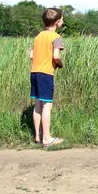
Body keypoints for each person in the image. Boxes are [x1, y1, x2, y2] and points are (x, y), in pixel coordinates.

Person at [29, 8, 65, 147]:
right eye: (62, 19)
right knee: (47, 106)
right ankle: (47, 138)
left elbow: (31, 55)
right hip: (46, 74)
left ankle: (37, 136)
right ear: (57, 22)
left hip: (35, 72)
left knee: (37, 105)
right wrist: (60, 64)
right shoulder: (55, 37)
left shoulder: (38, 36)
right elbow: (56, 56)